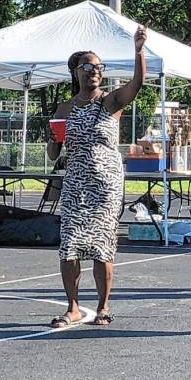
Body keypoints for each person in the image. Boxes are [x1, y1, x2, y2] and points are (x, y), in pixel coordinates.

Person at [47, 24, 147, 328]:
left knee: (103, 244)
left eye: (98, 67)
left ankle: (103, 306)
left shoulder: (110, 102)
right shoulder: (64, 107)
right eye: (88, 66)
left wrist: (138, 49)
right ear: (76, 72)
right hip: (76, 183)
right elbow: (53, 154)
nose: (94, 71)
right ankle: (73, 307)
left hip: (105, 185)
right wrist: (53, 138)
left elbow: (138, 83)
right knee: (70, 245)